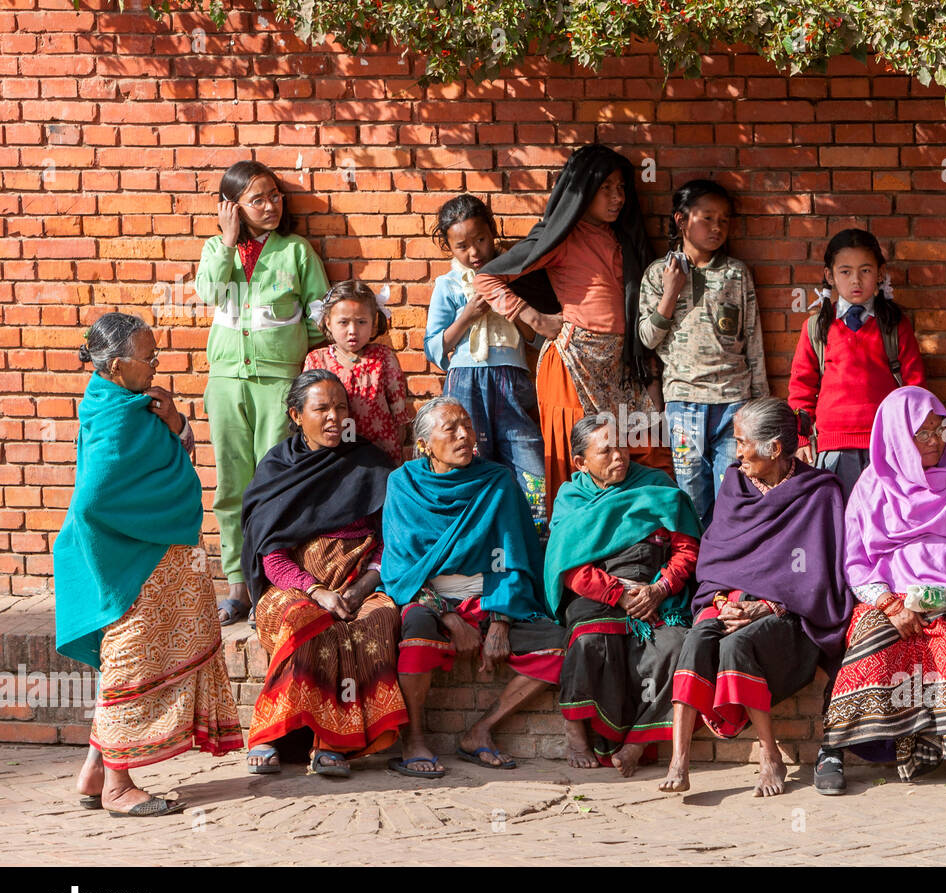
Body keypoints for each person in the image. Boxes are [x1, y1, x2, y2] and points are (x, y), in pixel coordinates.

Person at [55, 312, 242, 817]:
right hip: (134, 565)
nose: (156, 363)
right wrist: (146, 532)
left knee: (135, 661)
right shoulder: (115, 416)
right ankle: (118, 787)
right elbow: (93, 501)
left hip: (161, 557)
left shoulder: (131, 403)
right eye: (148, 356)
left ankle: (95, 771)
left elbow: (169, 456)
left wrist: (176, 422)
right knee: (128, 666)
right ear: (115, 364)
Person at [658, 398, 854, 797]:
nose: (737, 452)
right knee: (698, 637)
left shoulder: (818, 493)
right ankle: (679, 758)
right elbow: (718, 555)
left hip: (790, 615)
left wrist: (767, 605)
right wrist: (721, 602)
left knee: (737, 645)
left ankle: (771, 756)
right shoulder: (735, 484)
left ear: (775, 449)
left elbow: (820, 574)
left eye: (743, 442)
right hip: (730, 602)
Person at [819, 387, 946, 795]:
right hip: (893, 599)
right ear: (896, 438)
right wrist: (889, 604)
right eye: (921, 434)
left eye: (939, 429)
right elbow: (856, 561)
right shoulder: (872, 486)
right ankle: (832, 749)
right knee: (870, 641)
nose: (936, 440)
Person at [474, 144, 671, 511]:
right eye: (606, 189)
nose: (617, 198)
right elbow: (487, 277)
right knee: (576, 461)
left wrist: (653, 375)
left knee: (648, 450)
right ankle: (577, 554)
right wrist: (535, 319)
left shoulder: (624, 239)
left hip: (622, 364)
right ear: (583, 190)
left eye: (621, 188)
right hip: (570, 364)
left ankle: (637, 546)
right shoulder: (561, 238)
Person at [381, 397, 568, 775]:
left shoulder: (496, 481)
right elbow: (401, 568)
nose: (465, 435)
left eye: (467, 426)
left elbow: (513, 554)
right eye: (450, 429)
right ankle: (414, 738)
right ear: (424, 444)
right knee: (414, 639)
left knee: (561, 644)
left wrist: (499, 620)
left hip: (492, 596)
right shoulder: (402, 485)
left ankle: (481, 730)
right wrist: (449, 618)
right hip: (429, 597)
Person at [239, 370, 407, 778]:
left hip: (362, 583)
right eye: (322, 408)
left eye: (341, 407)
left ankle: (333, 743)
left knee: (378, 620)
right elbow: (270, 552)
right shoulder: (279, 467)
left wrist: (363, 585)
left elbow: (389, 540)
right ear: (296, 414)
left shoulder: (368, 462)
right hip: (294, 583)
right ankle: (274, 733)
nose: (335, 417)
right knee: (308, 621)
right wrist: (316, 591)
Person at [195, 159, 329, 625]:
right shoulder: (217, 248)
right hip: (227, 381)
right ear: (232, 208)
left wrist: (301, 376)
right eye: (257, 199)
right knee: (232, 485)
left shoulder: (296, 252)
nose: (271, 205)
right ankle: (237, 584)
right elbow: (210, 293)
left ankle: (272, 584)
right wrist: (228, 242)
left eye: (275, 195)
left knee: (275, 483)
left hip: (278, 384)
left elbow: (320, 320)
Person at [544, 415, 701, 775]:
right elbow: (568, 568)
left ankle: (636, 743)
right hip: (599, 591)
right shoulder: (572, 499)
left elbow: (686, 548)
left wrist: (660, 589)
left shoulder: (656, 485)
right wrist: (619, 595)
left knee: (678, 644)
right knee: (591, 639)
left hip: (657, 590)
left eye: (622, 446)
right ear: (581, 462)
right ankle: (577, 731)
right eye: (607, 451)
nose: (620, 456)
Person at [637, 179, 768, 524]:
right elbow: (647, 338)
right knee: (691, 492)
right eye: (707, 218)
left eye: (724, 220)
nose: (717, 228)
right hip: (683, 401)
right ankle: (695, 570)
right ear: (681, 221)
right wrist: (670, 292)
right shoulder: (657, 274)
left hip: (733, 401)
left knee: (732, 492)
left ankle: (724, 568)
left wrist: (759, 404)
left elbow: (752, 338)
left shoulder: (736, 274)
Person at [426, 194, 547, 532]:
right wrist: (466, 316)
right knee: (470, 461)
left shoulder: (514, 278)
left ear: (492, 232)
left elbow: (535, 337)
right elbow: (434, 349)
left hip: (512, 382)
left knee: (531, 467)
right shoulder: (448, 285)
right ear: (449, 248)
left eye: (480, 239)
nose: (474, 252)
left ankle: (534, 545)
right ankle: (478, 545)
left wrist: (507, 304)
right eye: (462, 245)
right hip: (466, 383)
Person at [786, 228, 925, 495]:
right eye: (845, 272)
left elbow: (915, 387)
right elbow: (801, 389)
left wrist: (914, 436)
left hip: (886, 445)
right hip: (833, 448)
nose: (856, 280)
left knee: (884, 521)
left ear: (880, 273)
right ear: (830, 276)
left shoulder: (894, 326)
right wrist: (801, 438)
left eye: (865, 270)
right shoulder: (817, 328)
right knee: (840, 522)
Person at [303, 280, 411, 465]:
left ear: (373, 323)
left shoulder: (383, 358)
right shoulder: (316, 360)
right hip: (333, 456)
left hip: (379, 455)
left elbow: (399, 417)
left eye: (361, 322)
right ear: (328, 322)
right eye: (343, 322)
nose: (353, 331)